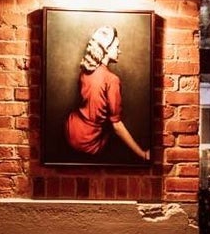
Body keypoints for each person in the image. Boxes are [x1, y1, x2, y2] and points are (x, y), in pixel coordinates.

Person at [64, 24, 150, 161]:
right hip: (89, 142)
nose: (119, 51)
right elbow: (116, 125)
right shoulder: (112, 80)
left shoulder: (85, 70)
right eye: (116, 47)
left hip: (70, 130)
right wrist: (143, 154)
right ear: (106, 49)